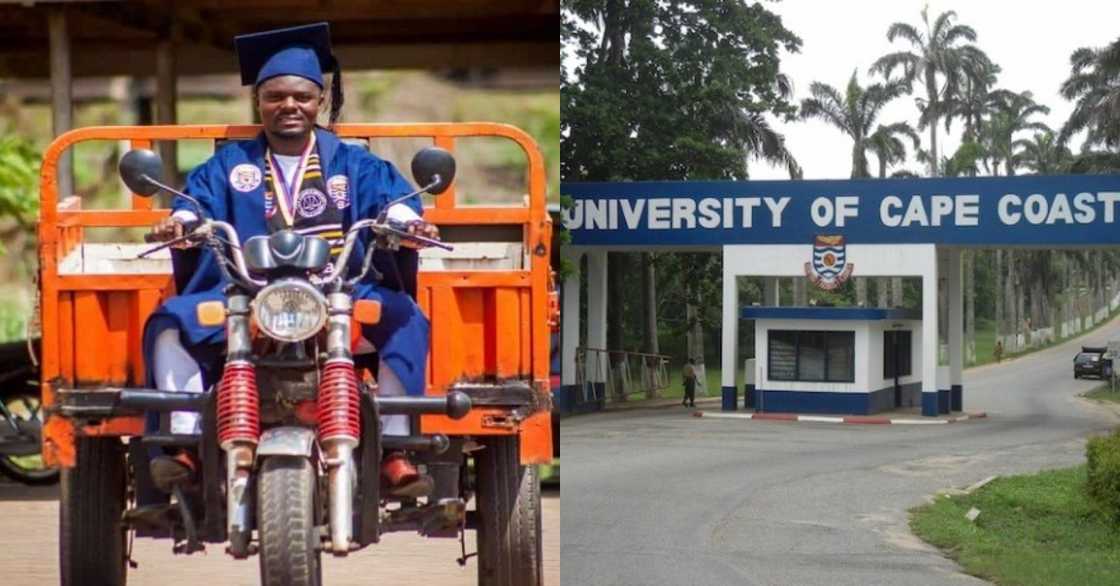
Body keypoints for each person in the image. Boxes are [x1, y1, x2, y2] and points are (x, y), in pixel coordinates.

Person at [143, 22, 437, 498]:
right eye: (275, 96)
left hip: (340, 293)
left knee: (405, 317)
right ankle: (183, 443)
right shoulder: (228, 164)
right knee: (171, 321)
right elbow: (193, 203)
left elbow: (391, 200)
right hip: (244, 293)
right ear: (258, 102)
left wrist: (408, 223)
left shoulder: (353, 162)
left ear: (320, 100)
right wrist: (178, 222)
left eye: (301, 96)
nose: (289, 106)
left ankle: (396, 448)